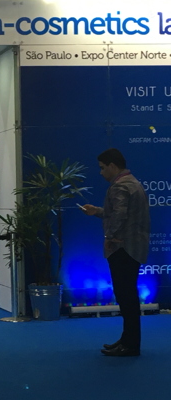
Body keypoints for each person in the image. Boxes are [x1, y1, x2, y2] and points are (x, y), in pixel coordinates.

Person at [81, 148, 150, 357]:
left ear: (112, 165)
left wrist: (109, 237)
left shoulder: (120, 186)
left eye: (103, 168)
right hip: (132, 247)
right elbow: (119, 213)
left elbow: (119, 216)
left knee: (126, 296)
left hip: (123, 248)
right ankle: (128, 339)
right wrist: (98, 212)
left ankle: (130, 344)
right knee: (128, 296)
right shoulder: (131, 182)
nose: (101, 172)